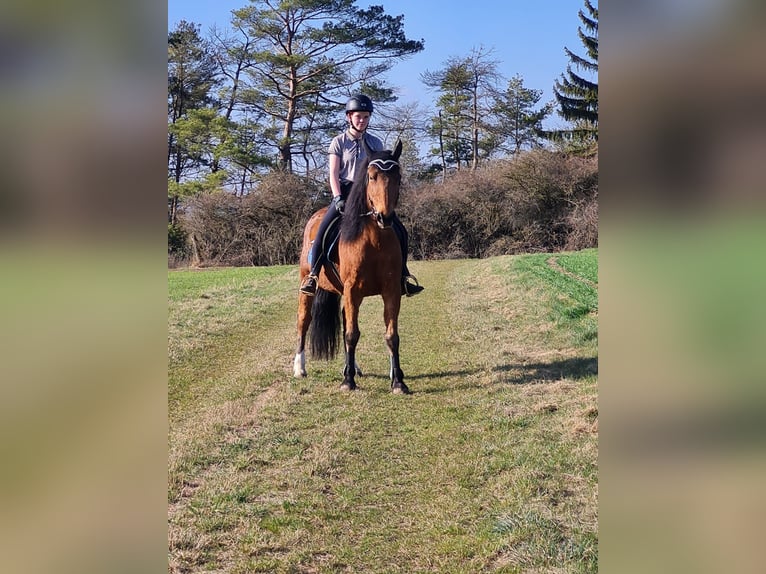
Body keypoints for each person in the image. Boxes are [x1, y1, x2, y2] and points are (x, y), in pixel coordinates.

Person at [300, 94, 424, 297]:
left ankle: (403, 276)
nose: (362, 120)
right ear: (349, 117)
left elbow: (381, 173)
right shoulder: (338, 142)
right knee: (324, 229)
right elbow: (333, 173)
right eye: (358, 116)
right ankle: (313, 275)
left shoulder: (375, 142)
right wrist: (337, 197)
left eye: (366, 117)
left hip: (369, 195)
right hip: (345, 192)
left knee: (400, 231)